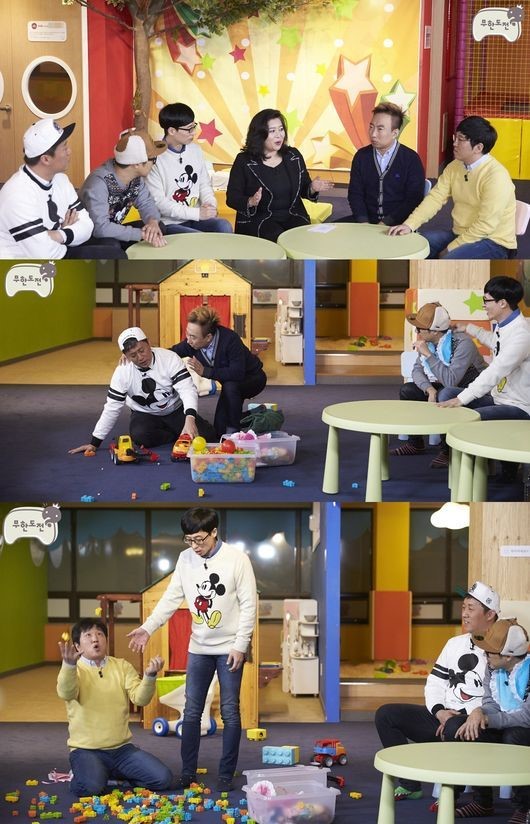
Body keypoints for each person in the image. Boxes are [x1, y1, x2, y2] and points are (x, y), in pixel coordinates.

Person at [127, 507, 257, 792]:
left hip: (230, 648)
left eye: (200, 539)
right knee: (191, 711)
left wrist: (240, 645)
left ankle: (226, 774)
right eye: (189, 540)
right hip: (199, 648)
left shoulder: (237, 559)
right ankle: (187, 773)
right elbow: (170, 599)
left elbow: (249, 605)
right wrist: (147, 627)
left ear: (214, 532)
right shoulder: (185, 559)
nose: (195, 546)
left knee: (230, 711)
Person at [374, 581, 499, 814]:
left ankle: (452, 795)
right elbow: (435, 683)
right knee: (386, 715)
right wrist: (439, 711)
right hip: (443, 718)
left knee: (455, 726)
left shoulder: (500, 649)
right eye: (463, 607)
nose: (464, 613)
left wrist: (459, 716)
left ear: (490, 614)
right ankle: (410, 785)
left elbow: (498, 695)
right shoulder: (454, 644)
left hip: (474, 722)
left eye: (471, 608)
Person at [57, 618, 173, 796]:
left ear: (106, 640)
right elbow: (66, 693)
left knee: (163, 779)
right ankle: (84, 773)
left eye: (99, 634)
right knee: (91, 788)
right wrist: (68, 665)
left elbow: (140, 699)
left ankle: (107, 774)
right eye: (88, 635)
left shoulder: (122, 666)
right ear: (77, 646)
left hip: (122, 750)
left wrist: (150, 676)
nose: (95, 639)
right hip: (86, 750)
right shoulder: (75, 670)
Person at [68, 326, 216, 455]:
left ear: (149, 343)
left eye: (142, 350)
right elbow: (112, 408)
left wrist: (190, 419)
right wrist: (94, 443)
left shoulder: (169, 358)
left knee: (207, 435)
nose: (140, 358)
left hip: (175, 409)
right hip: (145, 413)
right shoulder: (122, 372)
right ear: (125, 356)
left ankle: (177, 428)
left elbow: (187, 389)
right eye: (133, 355)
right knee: (140, 436)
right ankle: (174, 433)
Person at [388, 116, 517, 258]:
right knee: (413, 245)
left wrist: (450, 249)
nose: (454, 143)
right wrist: (409, 225)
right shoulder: (454, 166)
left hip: (494, 242)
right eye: (455, 137)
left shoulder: (496, 176)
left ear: (478, 147)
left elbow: (485, 225)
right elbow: (435, 198)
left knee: (448, 259)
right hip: (461, 234)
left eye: (461, 139)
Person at [444, 618, 530, 822]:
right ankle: (482, 802)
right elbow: (491, 702)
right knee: (458, 726)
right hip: (503, 722)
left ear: (508, 656)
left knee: (513, 736)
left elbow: (526, 718)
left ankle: (524, 807)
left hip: (523, 729)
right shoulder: (493, 668)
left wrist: (487, 719)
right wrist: (478, 712)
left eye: (489, 652)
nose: (485, 655)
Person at [391, 301, 487, 468]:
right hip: (442, 385)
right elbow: (416, 370)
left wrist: (429, 355)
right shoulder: (429, 342)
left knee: (445, 393)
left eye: (419, 328)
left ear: (434, 331)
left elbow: (451, 381)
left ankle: (447, 450)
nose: (417, 332)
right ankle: (415, 444)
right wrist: (429, 389)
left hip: (468, 390)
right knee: (408, 390)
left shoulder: (462, 343)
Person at [226, 108, 333, 241]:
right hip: (259, 219)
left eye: (281, 129)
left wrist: (312, 188)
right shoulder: (244, 161)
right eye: (272, 131)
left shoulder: (293, 155)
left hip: (293, 215)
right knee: (276, 237)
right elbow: (232, 198)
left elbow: (304, 189)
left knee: (306, 239)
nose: (279, 135)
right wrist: (250, 201)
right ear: (259, 134)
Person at [0, 118, 101, 260]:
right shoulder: (17, 194)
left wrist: (59, 234)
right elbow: (43, 253)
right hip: (27, 265)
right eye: (64, 147)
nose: (69, 151)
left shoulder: (61, 180)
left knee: (112, 246)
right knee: (113, 256)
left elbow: (87, 224)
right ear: (46, 159)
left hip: (58, 249)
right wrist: (67, 235)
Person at [438, 277, 530, 422]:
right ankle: (446, 437)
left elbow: (496, 370)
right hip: (498, 398)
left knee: (472, 417)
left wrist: (462, 398)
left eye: (486, 300)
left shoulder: (521, 334)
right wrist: (468, 328)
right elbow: (496, 343)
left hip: (518, 406)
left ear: (502, 303)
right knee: (447, 393)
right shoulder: (505, 324)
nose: (483, 305)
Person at [172, 306, 267, 437]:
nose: (188, 340)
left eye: (193, 337)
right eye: (187, 334)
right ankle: (255, 413)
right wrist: (152, 355)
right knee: (218, 429)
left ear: (208, 337)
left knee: (230, 386)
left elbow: (237, 373)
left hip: (254, 380)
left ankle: (234, 431)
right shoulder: (191, 344)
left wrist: (206, 372)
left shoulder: (230, 339)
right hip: (230, 385)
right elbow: (171, 353)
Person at [146, 103, 232, 234]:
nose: (194, 132)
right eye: (189, 129)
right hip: (169, 222)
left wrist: (210, 205)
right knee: (196, 238)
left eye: (194, 126)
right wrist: (198, 213)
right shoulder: (155, 158)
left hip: (196, 218)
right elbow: (160, 203)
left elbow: (204, 185)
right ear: (171, 131)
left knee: (223, 225)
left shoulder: (195, 150)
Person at [79, 128, 168, 252]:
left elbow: (146, 203)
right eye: (153, 159)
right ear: (137, 164)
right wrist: (142, 234)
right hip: (89, 235)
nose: (154, 164)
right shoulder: (99, 182)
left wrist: (152, 222)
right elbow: (100, 228)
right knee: (111, 246)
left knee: (158, 227)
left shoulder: (135, 178)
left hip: (112, 229)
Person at [341, 102, 425, 225]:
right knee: (327, 232)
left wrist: (386, 222)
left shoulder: (411, 159)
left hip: (397, 224)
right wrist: (363, 221)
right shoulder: (361, 156)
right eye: (371, 127)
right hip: (365, 221)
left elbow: (413, 199)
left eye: (380, 129)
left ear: (394, 133)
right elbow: (355, 194)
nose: (373, 134)